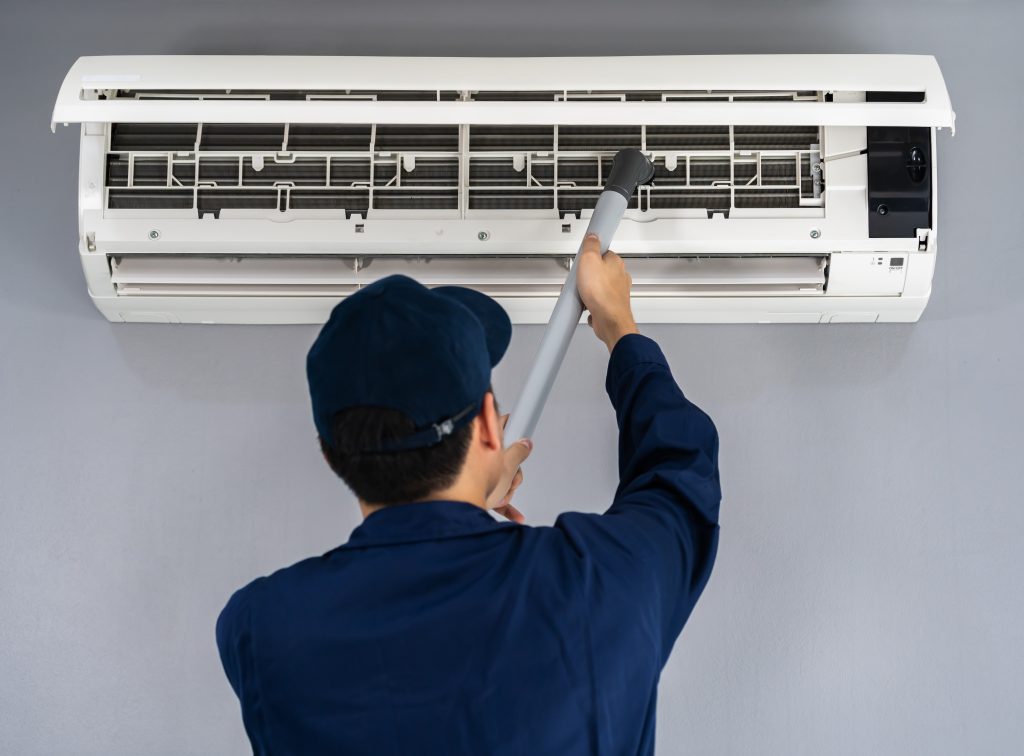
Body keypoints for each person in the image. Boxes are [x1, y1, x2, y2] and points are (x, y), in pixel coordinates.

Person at [216, 233, 722, 755]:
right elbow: (680, 478)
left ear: (330, 455)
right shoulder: (600, 582)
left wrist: (468, 498)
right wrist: (619, 325)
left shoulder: (261, 629)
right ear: (487, 425)